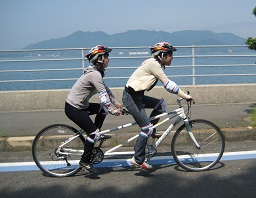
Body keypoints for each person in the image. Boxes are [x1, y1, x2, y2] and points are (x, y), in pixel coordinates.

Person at [122, 42, 194, 170]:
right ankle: (137, 159)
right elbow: (168, 84)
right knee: (146, 128)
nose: (172, 57)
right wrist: (185, 95)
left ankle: (152, 131)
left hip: (137, 96)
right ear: (162, 55)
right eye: (170, 55)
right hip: (131, 98)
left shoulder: (156, 64)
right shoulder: (153, 64)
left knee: (160, 105)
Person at [65, 45, 122, 173]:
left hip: (80, 105)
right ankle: (85, 161)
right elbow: (102, 95)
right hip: (74, 108)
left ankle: (95, 134)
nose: (108, 59)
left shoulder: (96, 73)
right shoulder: (95, 74)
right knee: (93, 132)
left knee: (102, 110)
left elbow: (107, 90)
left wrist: (117, 104)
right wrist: (113, 111)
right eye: (106, 57)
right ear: (100, 58)